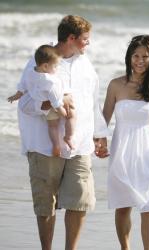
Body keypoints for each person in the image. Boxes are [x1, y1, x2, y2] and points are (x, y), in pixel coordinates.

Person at [16, 15, 109, 250]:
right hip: (44, 146)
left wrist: (99, 134)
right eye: (85, 39)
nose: (88, 44)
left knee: (80, 201)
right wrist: (54, 104)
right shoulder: (41, 61)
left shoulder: (86, 64)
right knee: (46, 204)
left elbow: (92, 101)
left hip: (79, 145)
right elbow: (24, 103)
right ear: (71, 38)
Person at [102, 34, 149, 250]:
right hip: (122, 152)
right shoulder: (115, 85)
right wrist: (98, 142)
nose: (140, 60)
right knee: (123, 205)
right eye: (136, 56)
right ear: (129, 57)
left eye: (145, 56)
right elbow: (103, 119)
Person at [8, 44, 75, 156]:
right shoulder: (50, 82)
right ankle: (68, 137)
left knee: (52, 126)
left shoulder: (30, 72)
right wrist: (64, 114)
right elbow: (56, 103)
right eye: (55, 66)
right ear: (45, 66)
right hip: (52, 104)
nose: (57, 69)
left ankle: (56, 145)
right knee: (71, 115)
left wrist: (16, 95)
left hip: (40, 104)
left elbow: (23, 86)